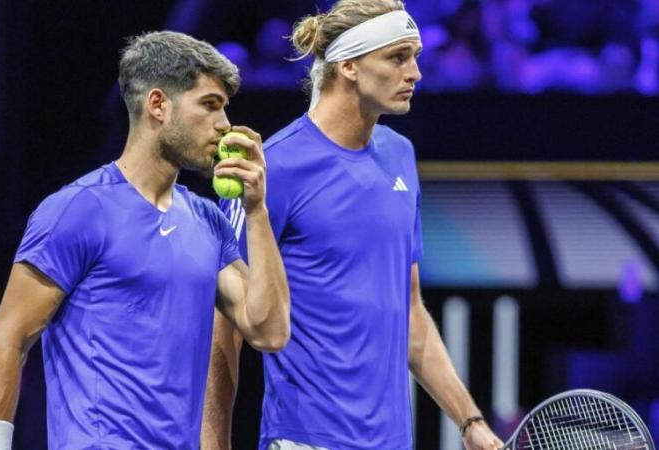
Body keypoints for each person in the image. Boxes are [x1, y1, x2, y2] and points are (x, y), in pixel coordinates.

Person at [201, 2, 504, 450]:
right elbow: (223, 330)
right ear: (349, 65)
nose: (416, 73)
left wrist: (469, 421)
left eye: (415, 56)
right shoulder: (274, 168)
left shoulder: (401, 155)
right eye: (398, 57)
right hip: (305, 441)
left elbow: (411, 314)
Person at [0, 31, 290, 449]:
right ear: (158, 105)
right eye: (210, 105)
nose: (224, 125)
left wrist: (257, 211)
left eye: (224, 108)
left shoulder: (208, 221)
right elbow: (7, 340)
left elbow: (269, 331)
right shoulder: (79, 209)